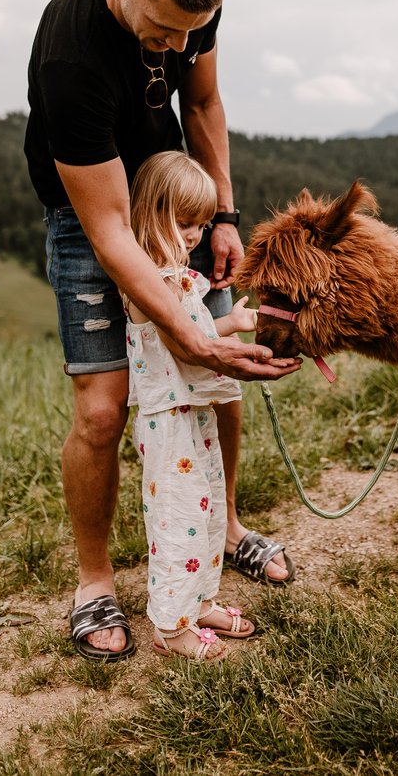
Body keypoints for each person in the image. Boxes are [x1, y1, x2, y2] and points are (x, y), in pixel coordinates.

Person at [25, 0, 300, 661]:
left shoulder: (191, 5)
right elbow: (111, 232)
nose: (177, 44)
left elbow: (204, 100)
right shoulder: (69, 57)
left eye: (191, 29)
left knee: (222, 383)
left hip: (177, 202)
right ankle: (93, 582)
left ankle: (227, 528)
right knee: (104, 408)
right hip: (92, 218)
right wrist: (190, 334)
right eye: (163, 29)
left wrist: (221, 215)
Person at [126, 151, 256, 660]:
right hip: (166, 421)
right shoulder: (146, 282)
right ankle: (170, 627)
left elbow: (194, 332)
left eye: (201, 225)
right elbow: (174, 330)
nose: (195, 236)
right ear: (151, 214)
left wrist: (231, 324)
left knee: (204, 509)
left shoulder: (177, 278)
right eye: (183, 223)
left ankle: (198, 601)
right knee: (177, 515)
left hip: (193, 412)